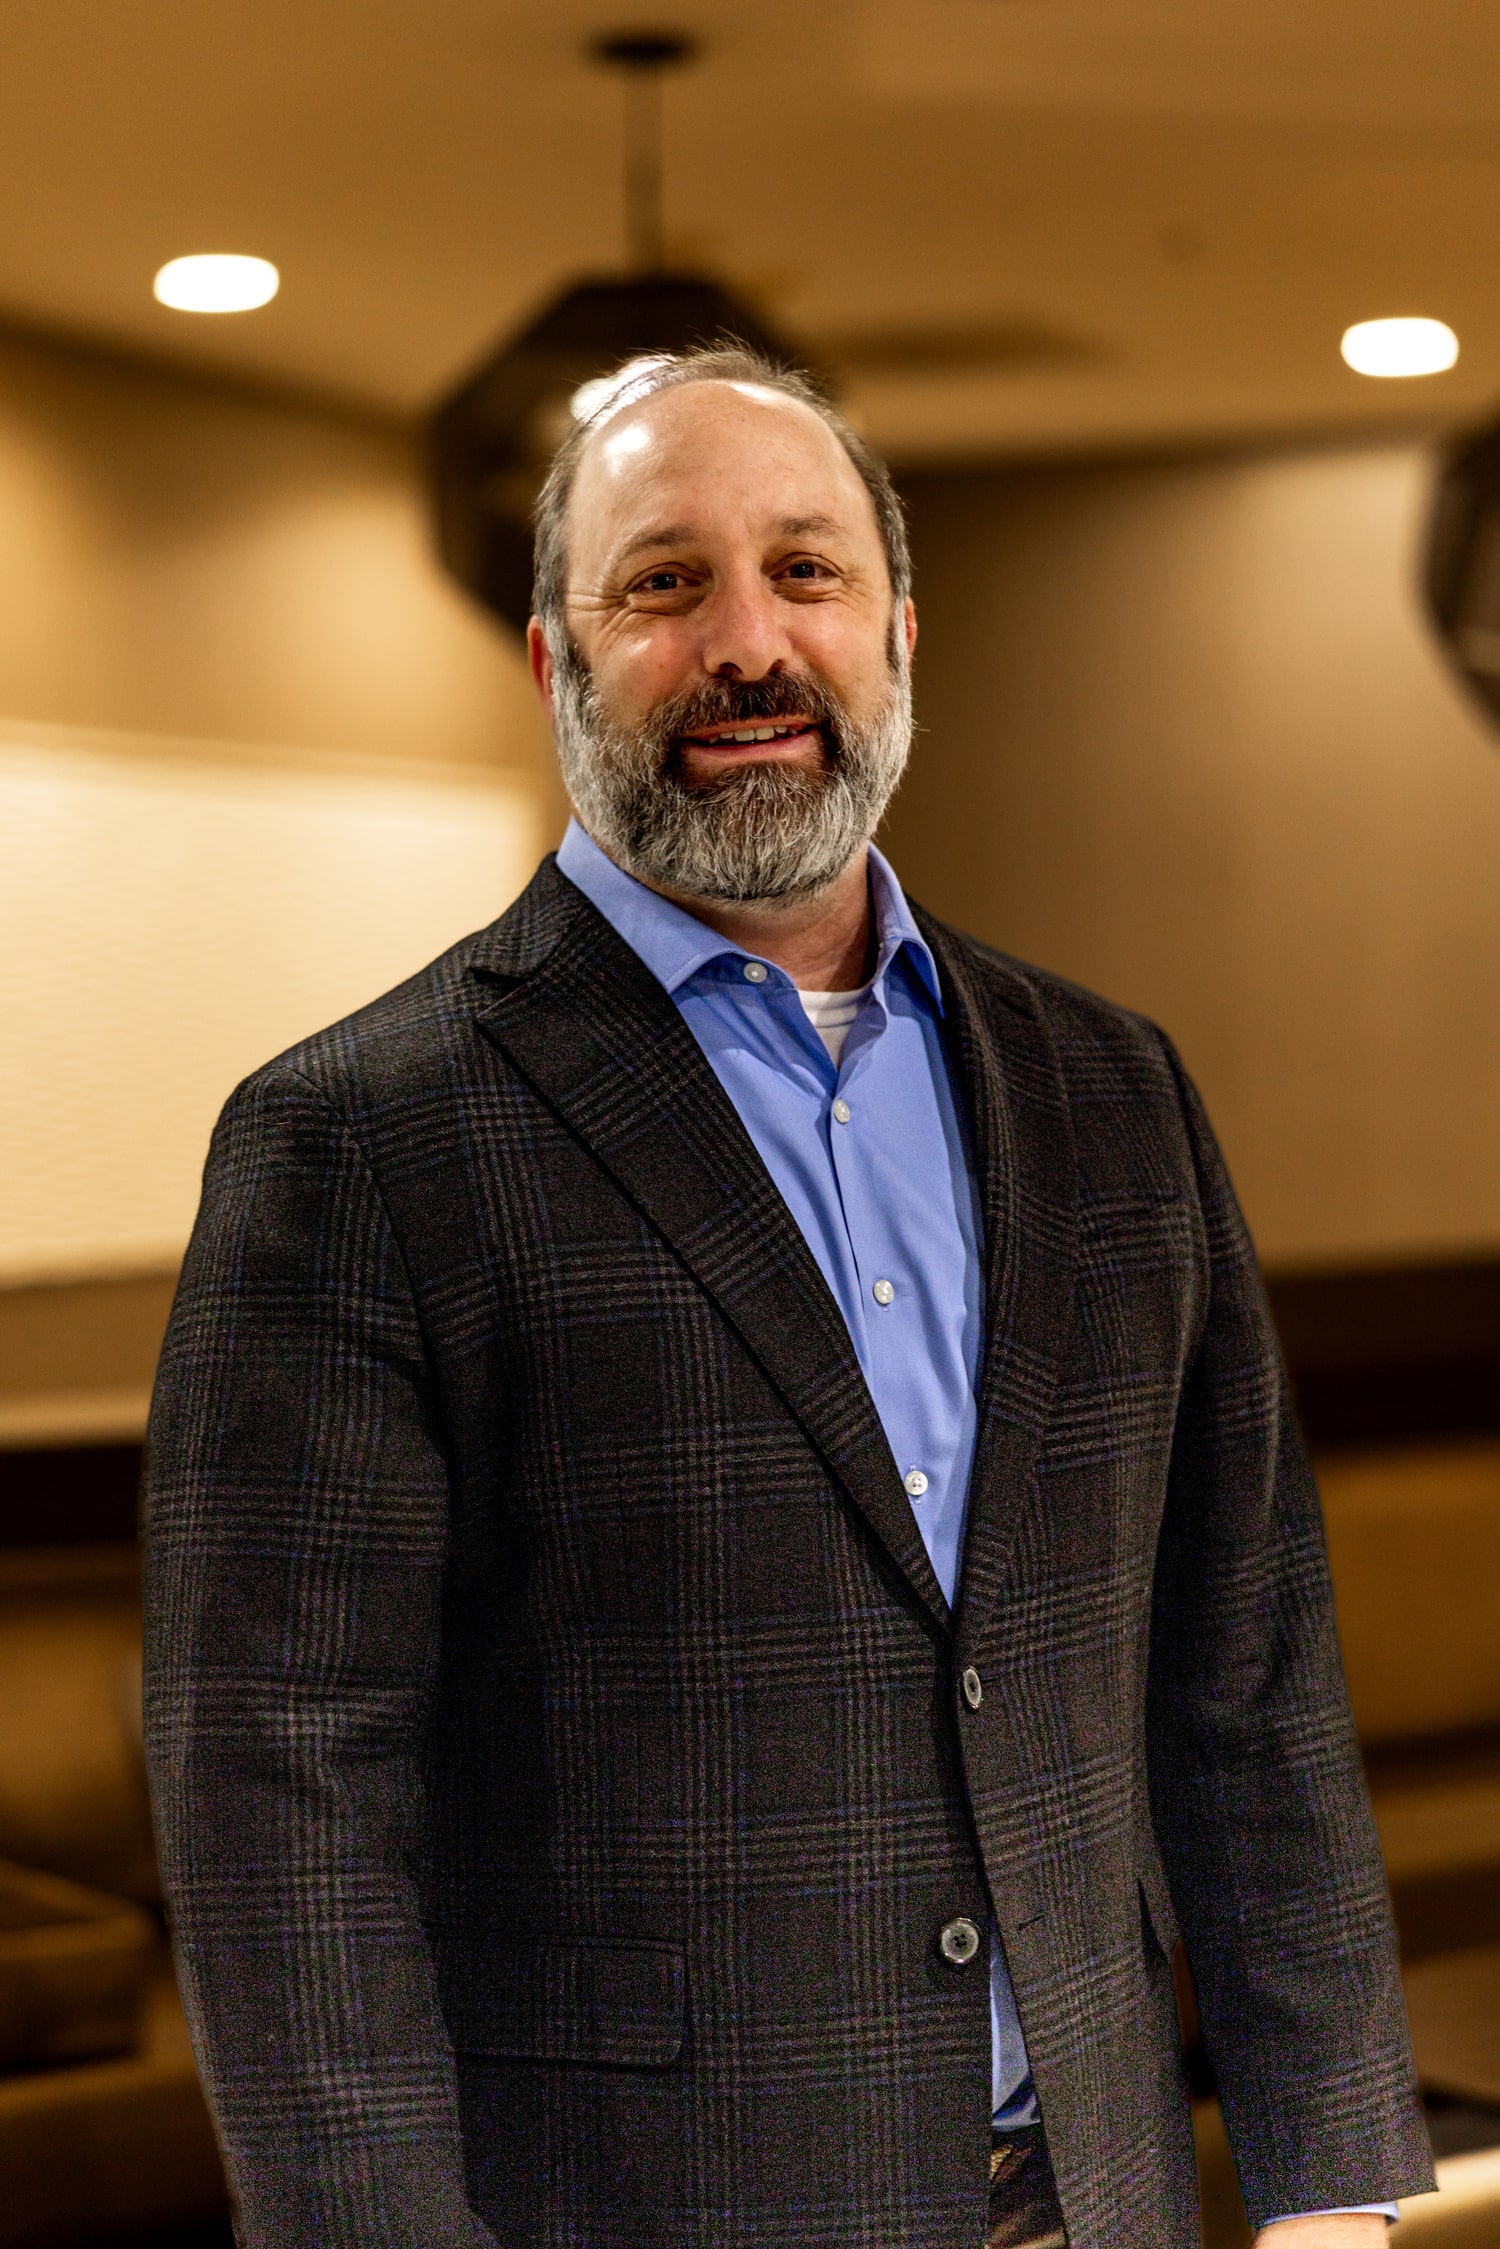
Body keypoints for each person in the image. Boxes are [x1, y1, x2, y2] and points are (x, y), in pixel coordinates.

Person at [143, 344, 1433, 2249]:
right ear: (556, 664)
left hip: (1102, 2191)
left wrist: (1332, 2181)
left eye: (806, 572)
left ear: (901, 630)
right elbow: (285, 1812)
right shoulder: (352, 1142)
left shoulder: (1110, 1085)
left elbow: (1242, 1669)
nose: (750, 641)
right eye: (664, 582)